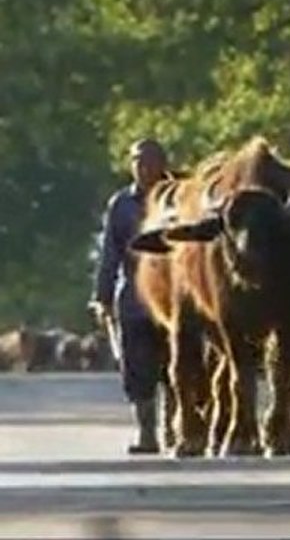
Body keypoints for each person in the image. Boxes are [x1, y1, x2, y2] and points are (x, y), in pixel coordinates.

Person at [89, 138, 169, 454]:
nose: (144, 168)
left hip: (174, 298)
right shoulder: (121, 204)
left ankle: (179, 426)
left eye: (150, 161)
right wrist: (103, 296)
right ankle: (147, 432)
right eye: (137, 161)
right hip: (134, 298)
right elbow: (110, 253)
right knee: (136, 368)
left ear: (163, 164)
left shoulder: (177, 198)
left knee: (178, 365)